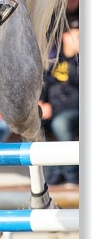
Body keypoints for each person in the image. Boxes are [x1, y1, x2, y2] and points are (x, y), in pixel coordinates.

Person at [38, 20, 79, 186]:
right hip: (52, 108)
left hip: (74, 109)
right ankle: (54, 170)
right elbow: (43, 83)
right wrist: (40, 102)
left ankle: (71, 173)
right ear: (64, 37)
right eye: (76, 35)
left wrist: (53, 107)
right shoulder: (53, 58)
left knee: (61, 124)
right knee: (35, 126)